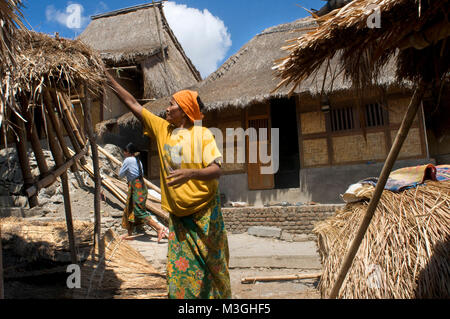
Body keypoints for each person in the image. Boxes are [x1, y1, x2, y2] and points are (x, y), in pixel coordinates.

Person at [106, 71, 231, 299]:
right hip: (179, 218)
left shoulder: (202, 135)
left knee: (214, 269)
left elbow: (216, 170)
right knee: (180, 273)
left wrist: (191, 173)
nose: (167, 107)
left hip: (205, 215)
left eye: (172, 104)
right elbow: (132, 103)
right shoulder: (163, 130)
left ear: (183, 111)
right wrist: (110, 80)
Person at [119, 142, 168, 243]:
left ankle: (158, 227)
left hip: (136, 188)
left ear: (127, 152)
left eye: (124, 152)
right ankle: (129, 233)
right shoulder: (138, 160)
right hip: (141, 187)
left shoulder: (128, 160)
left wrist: (124, 170)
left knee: (138, 211)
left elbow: (120, 174)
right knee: (130, 209)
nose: (124, 154)